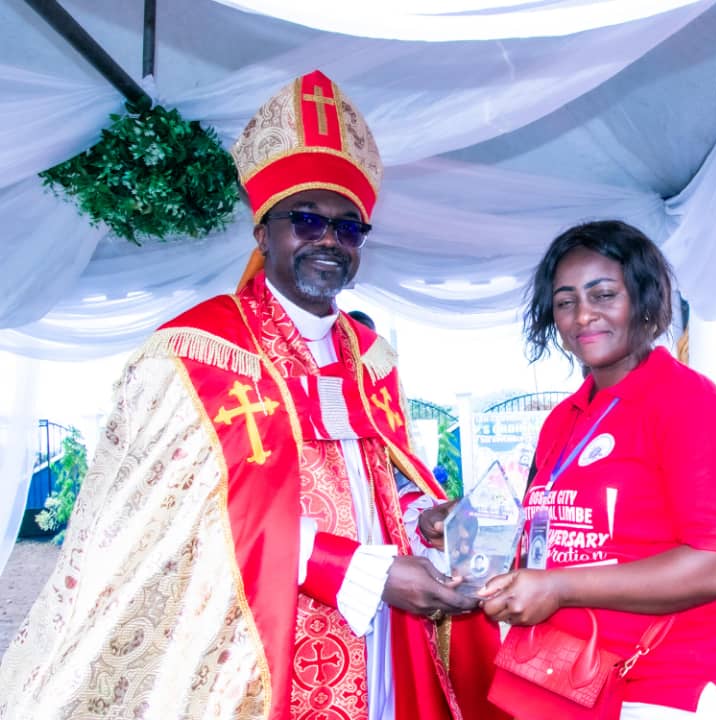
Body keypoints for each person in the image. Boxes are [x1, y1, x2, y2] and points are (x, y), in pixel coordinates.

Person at [0, 70, 507, 720]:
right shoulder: (196, 352)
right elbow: (186, 518)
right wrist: (362, 570)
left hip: (379, 635)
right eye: (307, 220)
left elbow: (376, 484)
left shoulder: (371, 357)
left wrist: (422, 518)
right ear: (263, 233)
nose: (329, 240)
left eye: (348, 228)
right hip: (253, 637)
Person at [478, 220, 716, 719]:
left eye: (604, 295)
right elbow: (556, 535)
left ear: (645, 298)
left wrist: (559, 588)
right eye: (565, 301)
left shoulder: (690, 405)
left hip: (671, 686)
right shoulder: (563, 419)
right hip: (574, 680)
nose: (582, 315)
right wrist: (468, 523)